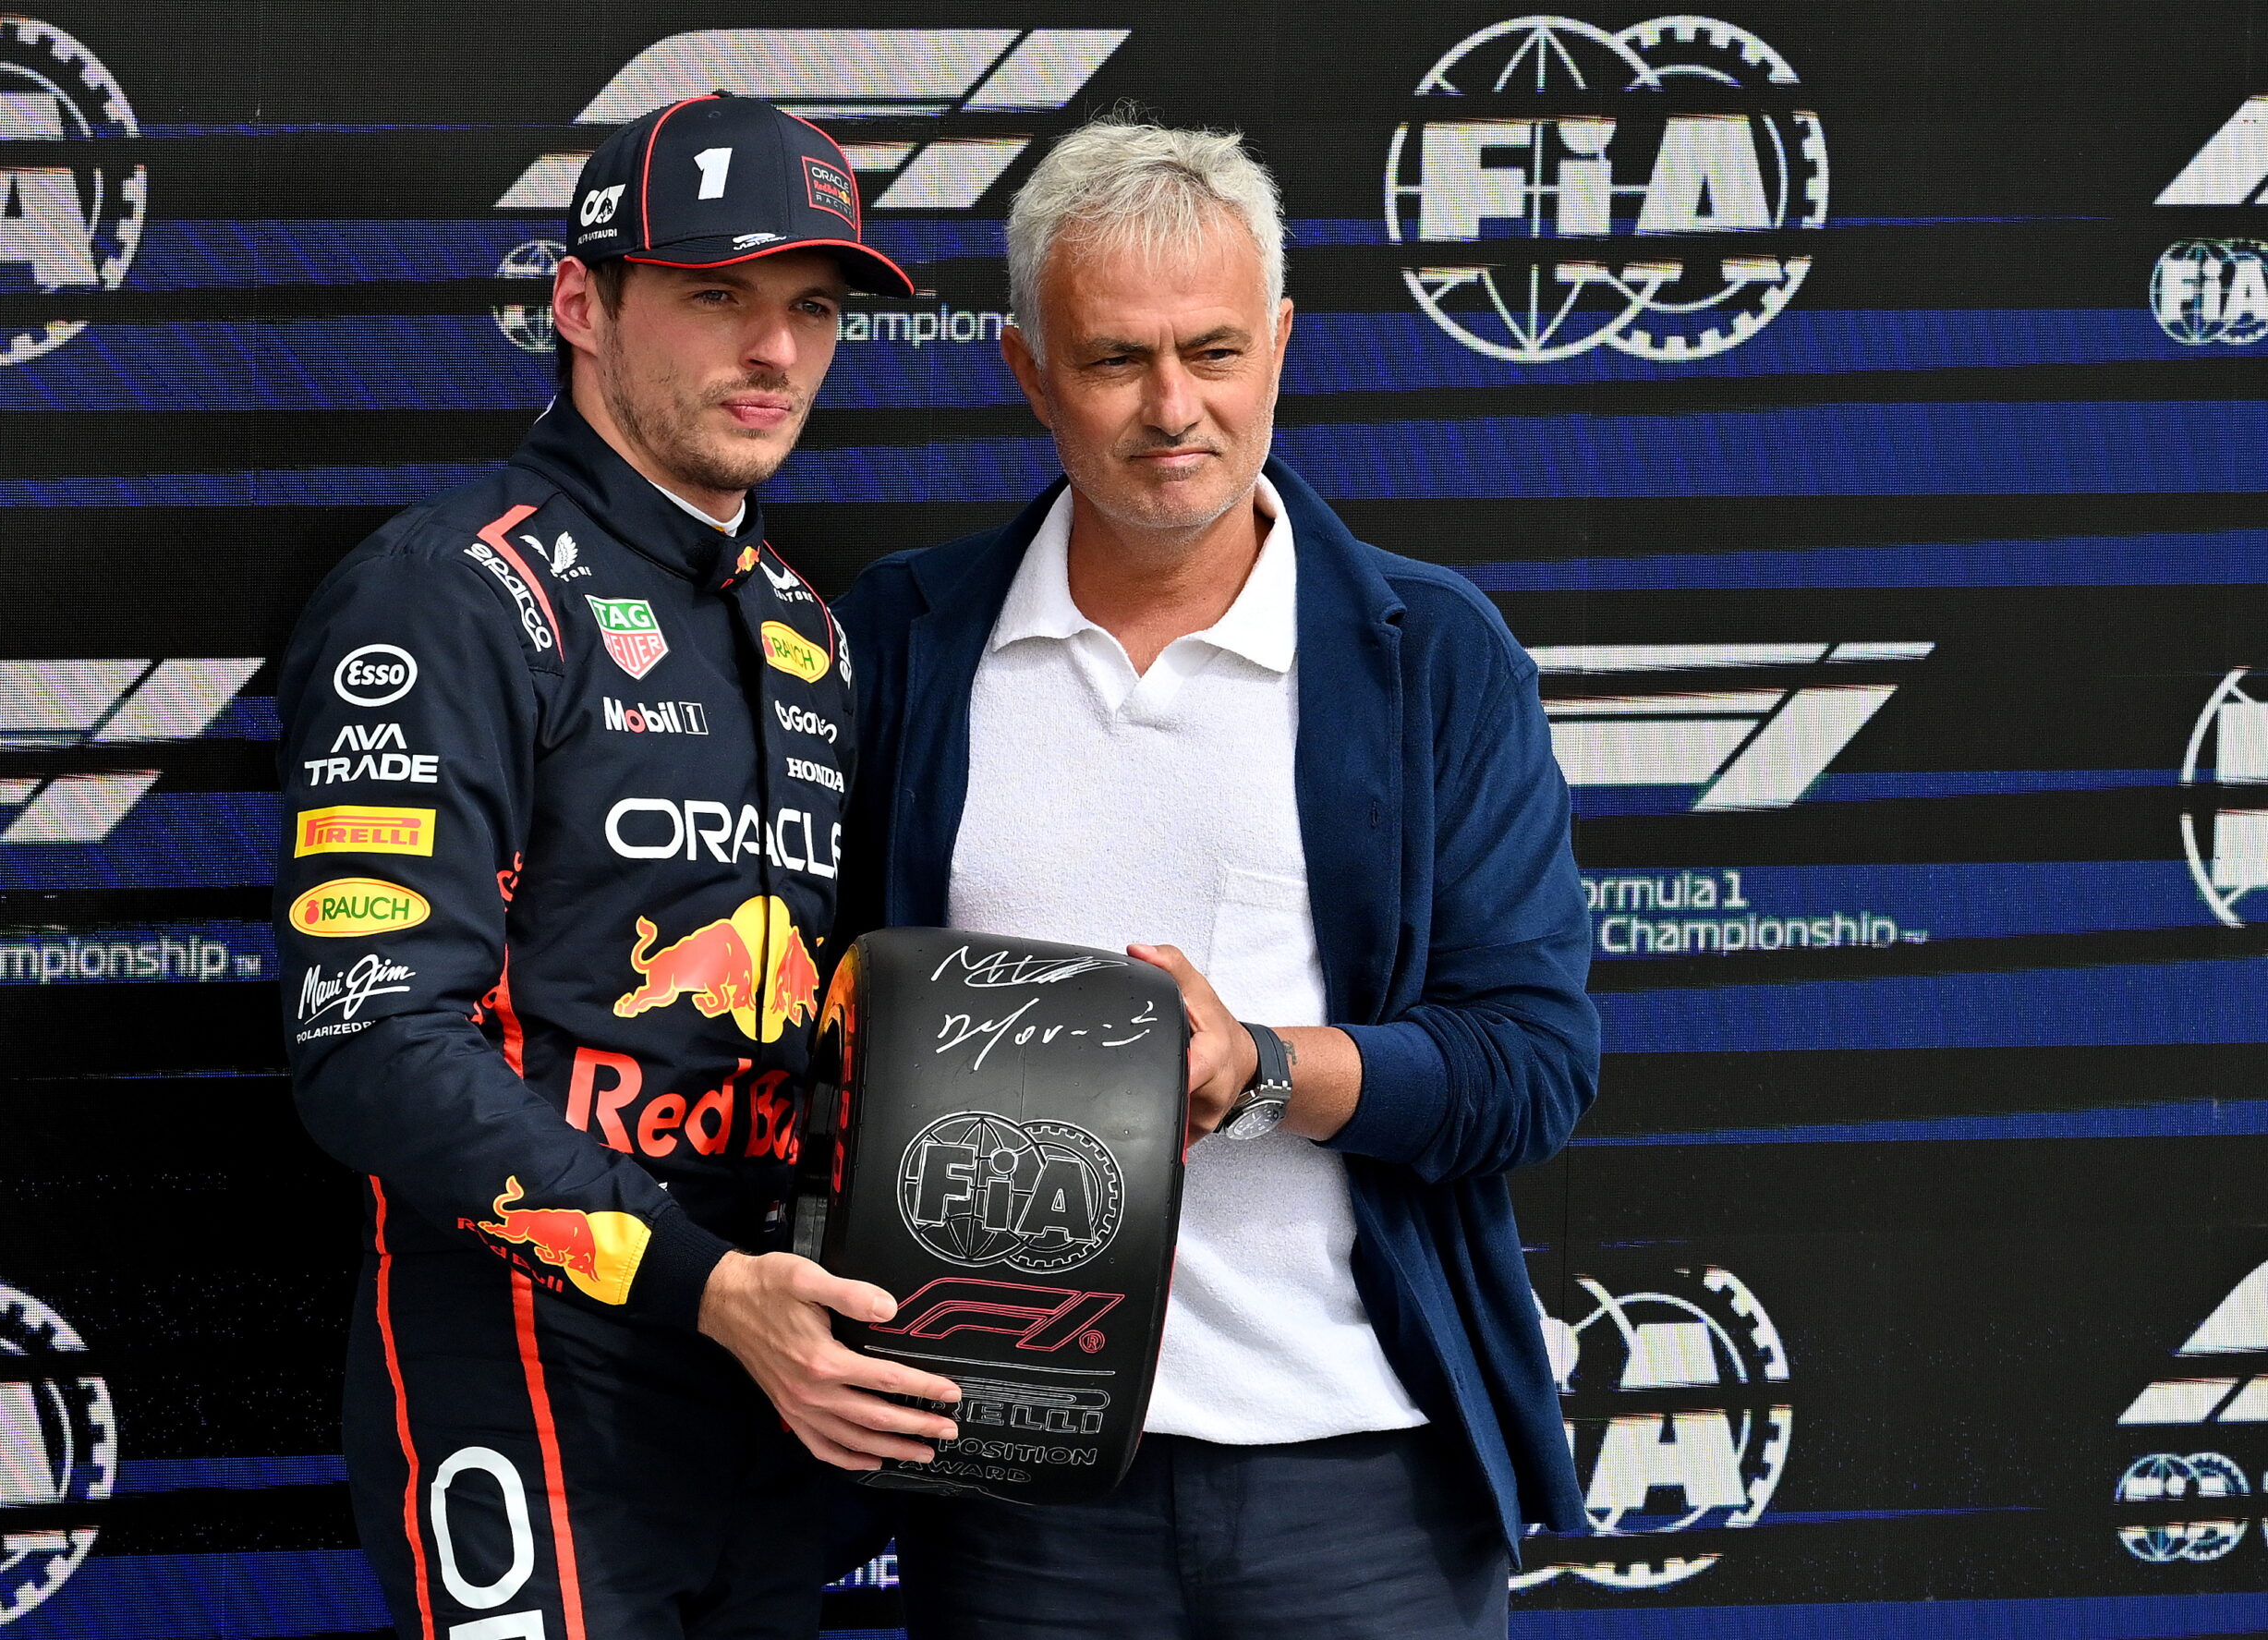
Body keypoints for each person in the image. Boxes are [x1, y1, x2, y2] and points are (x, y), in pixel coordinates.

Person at [834, 118, 1600, 1638]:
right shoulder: (902, 641)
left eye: (1215, 352)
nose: (1173, 406)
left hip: (1361, 1474)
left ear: (1283, 346)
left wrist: (1261, 1068)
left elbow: (1532, 1062)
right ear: (1026, 368)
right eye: (1117, 359)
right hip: (1006, 1486)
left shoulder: (1436, 660)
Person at [274, 94, 963, 1640]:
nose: (775, 351)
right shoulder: (454, 593)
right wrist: (704, 1286)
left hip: (769, 1383)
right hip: (532, 1361)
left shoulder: (807, 626)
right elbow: (371, 1039)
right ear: (580, 304)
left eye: (812, 307)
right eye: (717, 296)